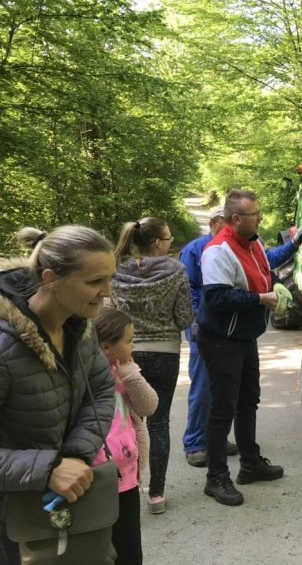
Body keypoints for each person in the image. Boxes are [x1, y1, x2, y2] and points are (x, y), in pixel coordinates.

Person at [0, 226, 116, 563]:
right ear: (50, 278)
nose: (106, 292)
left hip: (62, 510)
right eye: (95, 282)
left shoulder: (81, 327)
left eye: (109, 279)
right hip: (11, 529)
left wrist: (77, 455)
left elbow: (102, 390)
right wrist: (48, 468)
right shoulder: (4, 344)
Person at [195, 189, 297, 507]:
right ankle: (216, 478)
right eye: (255, 215)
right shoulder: (218, 251)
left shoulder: (254, 244)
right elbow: (216, 298)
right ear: (236, 218)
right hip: (220, 339)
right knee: (222, 409)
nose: (260, 219)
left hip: (244, 337)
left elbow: (264, 274)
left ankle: (250, 464)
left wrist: (274, 285)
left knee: (248, 402)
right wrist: (260, 299)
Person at [111, 217, 193, 514]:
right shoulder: (176, 271)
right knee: (159, 423)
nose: (171, 244)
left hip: (127, 355)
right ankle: (156, 494)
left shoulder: (117, 270)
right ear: (157, 242)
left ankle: (130, 485)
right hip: (165, 354)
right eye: (169, 239)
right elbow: (185, 318)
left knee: (130, 422)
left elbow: (111, 313)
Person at [93, 308, 159, 565]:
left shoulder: (127, 372)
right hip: (98, 478)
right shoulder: (87, 377)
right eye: (129, 340)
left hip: (128, 477)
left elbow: (149, 406)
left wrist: (131, 376)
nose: (134, 345)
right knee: (98, 549)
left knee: (130, 550)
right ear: (107, 346)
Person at [179, 206, 237, 468]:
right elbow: (186, 287)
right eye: (224, 224)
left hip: (224, 326)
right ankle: (194, 443)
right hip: (200, 326)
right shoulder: (195, 249)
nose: (228, 229)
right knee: (203, 384)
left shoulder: (228, 245)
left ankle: (216, 437)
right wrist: (193, 321)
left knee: (223, 385)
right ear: (214, 223)